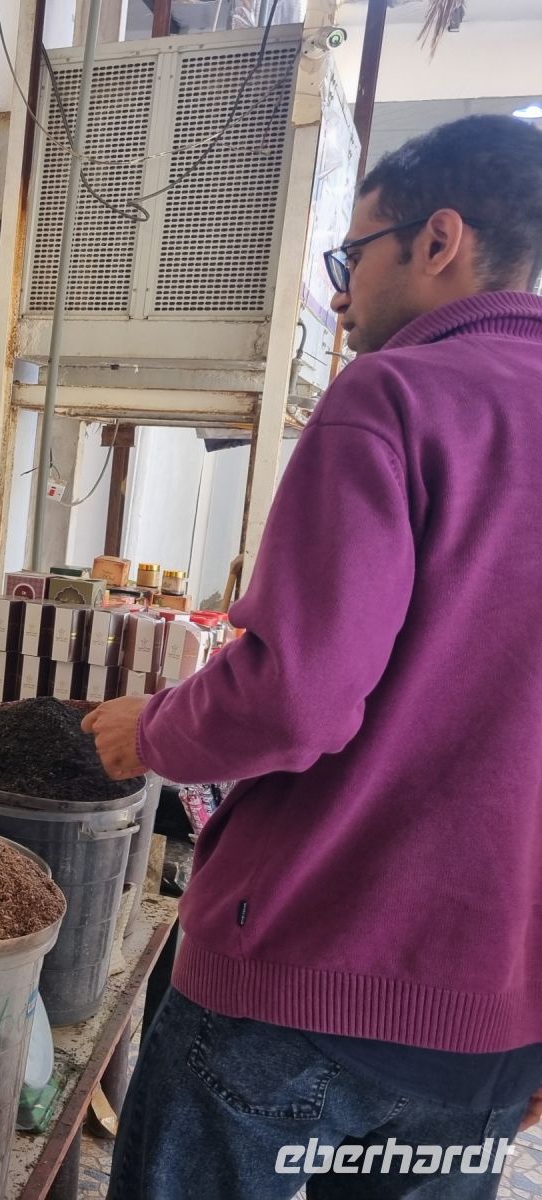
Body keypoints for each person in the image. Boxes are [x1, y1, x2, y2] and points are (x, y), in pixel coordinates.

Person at [84, 115, 542, 1198]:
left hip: (296, 982)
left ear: (438, 242)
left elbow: (297, 698)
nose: (338, 294)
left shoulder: (393, 395)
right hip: (487, 1015)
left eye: (351, 256)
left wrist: (146, 730)